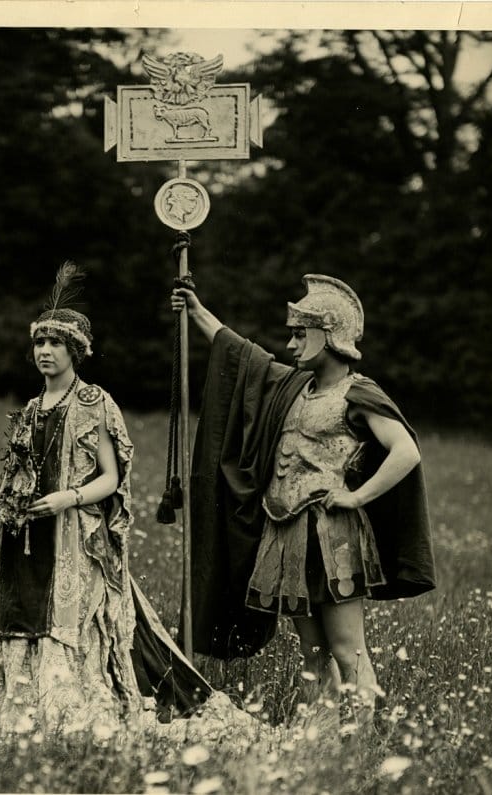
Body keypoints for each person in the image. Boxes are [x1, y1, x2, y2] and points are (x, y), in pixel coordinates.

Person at [0, 265, 262, 741]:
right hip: (30, 535)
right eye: (40, 343)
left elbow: (112, 478)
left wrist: (68, 498)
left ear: (75, 351)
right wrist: (3, 503)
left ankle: (68, 701)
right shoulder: (29, 409)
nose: (45, 351)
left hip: (74, 534)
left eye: (55, 344)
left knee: (67, 619)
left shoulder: (94, 402)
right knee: (23, 615)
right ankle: (24, 706)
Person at [173, 273, 435, 727]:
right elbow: (242, 357)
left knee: (347, 650)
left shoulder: (357, 392)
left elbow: (406, 451)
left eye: (300, 335)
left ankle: (359, 742)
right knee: (313, 653)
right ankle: (319, 738)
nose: (291, 345)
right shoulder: (293, 386)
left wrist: (356, 497)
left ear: (329, 335)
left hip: (332, 537)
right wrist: (196, 311)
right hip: (287, 535)